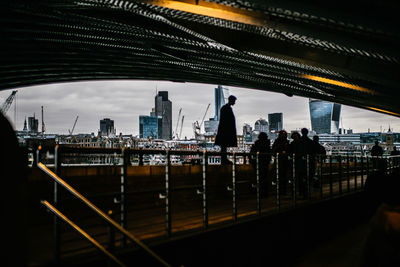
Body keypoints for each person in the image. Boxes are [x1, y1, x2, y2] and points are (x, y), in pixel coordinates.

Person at [215, 95, 237, 164]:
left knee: (224, 146)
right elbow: (226, 121)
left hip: (224, 131)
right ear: (231, 100)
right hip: (226, 131)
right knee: (224, 145)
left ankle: (224, 159)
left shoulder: (225, 108)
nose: (234, 103)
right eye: (234, 101)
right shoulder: (226, 108)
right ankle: (224, 159)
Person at [250, 132, 272, 197]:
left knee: (258, 178)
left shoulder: (256, 144)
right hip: (265, 163)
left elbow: (251, 153)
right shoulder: (267, 144)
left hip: (257, 163)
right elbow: (269, 154)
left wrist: (252, 161)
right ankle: (264, 192)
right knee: (264, 178)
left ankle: (258, 192)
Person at [297, 128, 315, 198]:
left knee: (300, 178)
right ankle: (307, 191)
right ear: (307, 133)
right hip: (309, 162)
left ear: (301, 132)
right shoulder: (310, 142)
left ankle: (301, 191)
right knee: (308, 178)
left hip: (300, 163)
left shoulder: (298, 142)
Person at [272, 130, 290, 195]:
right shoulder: (283, 142)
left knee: (282, 176)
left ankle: (282, 191)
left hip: (281, 161)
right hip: (281, 160)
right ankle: (282, 191)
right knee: (281, 176)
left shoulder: (280, 142)